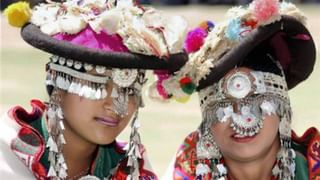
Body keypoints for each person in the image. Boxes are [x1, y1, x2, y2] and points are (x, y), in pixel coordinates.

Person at [0, 0, 188, 179]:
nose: (116, 106)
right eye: (97, 85)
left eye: (130, 91)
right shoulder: (6, 156)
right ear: (55, 78)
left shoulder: (132, 169)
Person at [157, 0, 320, 179]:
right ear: (206, 119)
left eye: (256, 99)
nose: (242, 118)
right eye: (223, 105)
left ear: (282, 107)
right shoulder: (185, 170)